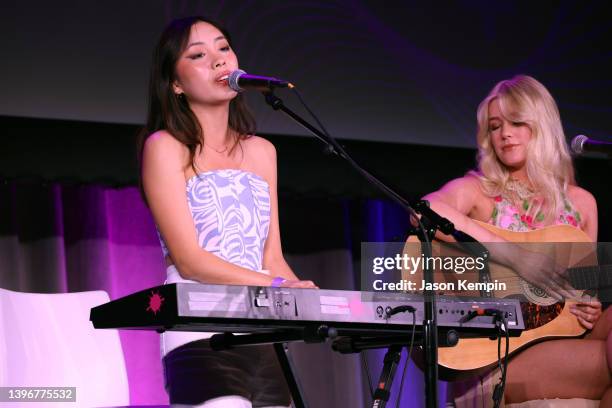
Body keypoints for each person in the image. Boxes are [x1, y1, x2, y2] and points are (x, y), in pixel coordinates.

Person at [137, 16, 316, 407]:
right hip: (201, 333)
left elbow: (271, 257)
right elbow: (191, 260)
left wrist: (313, 301)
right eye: (198, 55)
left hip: (264, 334)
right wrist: (277, 288)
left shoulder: (262, 152)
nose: (218, 60)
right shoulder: (165, 147)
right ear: (176, 84)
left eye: (223, 48)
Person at [420, 75, 611, 405]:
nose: (504, 134)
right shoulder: (477, 191)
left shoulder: (582, 204)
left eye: (517, 122)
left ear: (542, 125)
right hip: (499, 353)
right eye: (495, 126)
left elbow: (585, 294)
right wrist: (514, 255)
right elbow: (424, 211)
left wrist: (589, 307)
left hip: (565, 339)